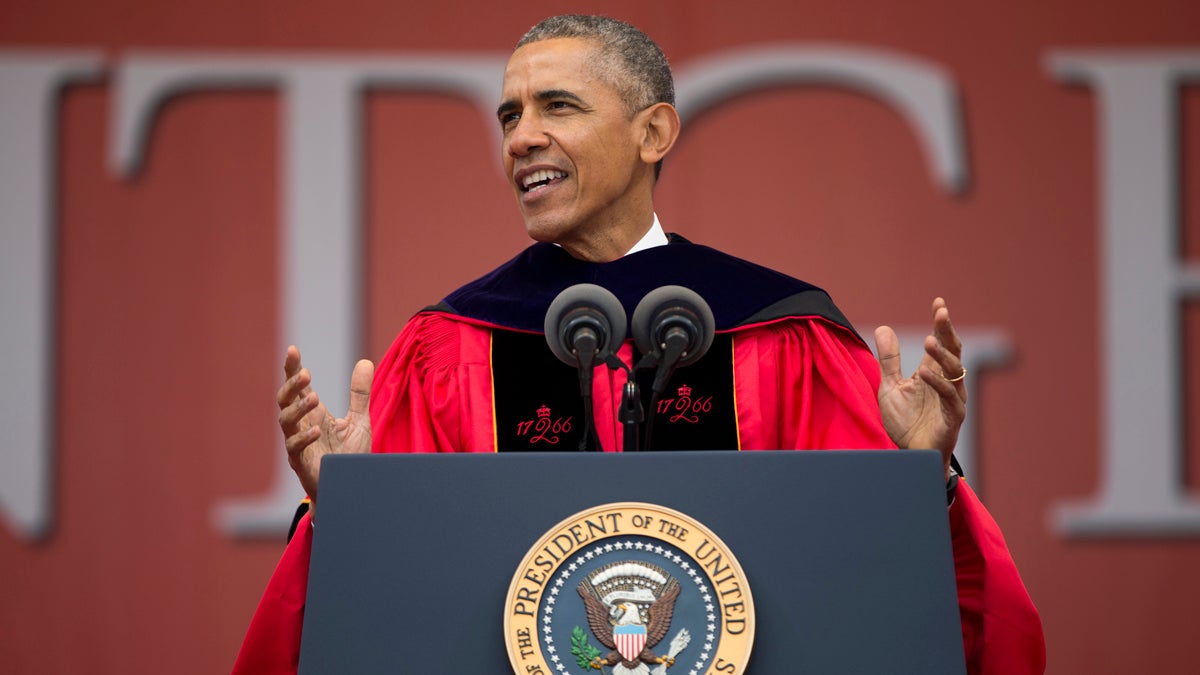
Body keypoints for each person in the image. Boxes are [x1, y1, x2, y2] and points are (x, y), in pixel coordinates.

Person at [233, 14, 1045, 675]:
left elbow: (909, 619)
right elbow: (373, 631)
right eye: (510, 115)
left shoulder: (782, 330)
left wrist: (925, 481)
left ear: (653, 131)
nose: (520, 138)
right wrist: (341, 514)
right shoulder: (452, 344)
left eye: (558, 106)